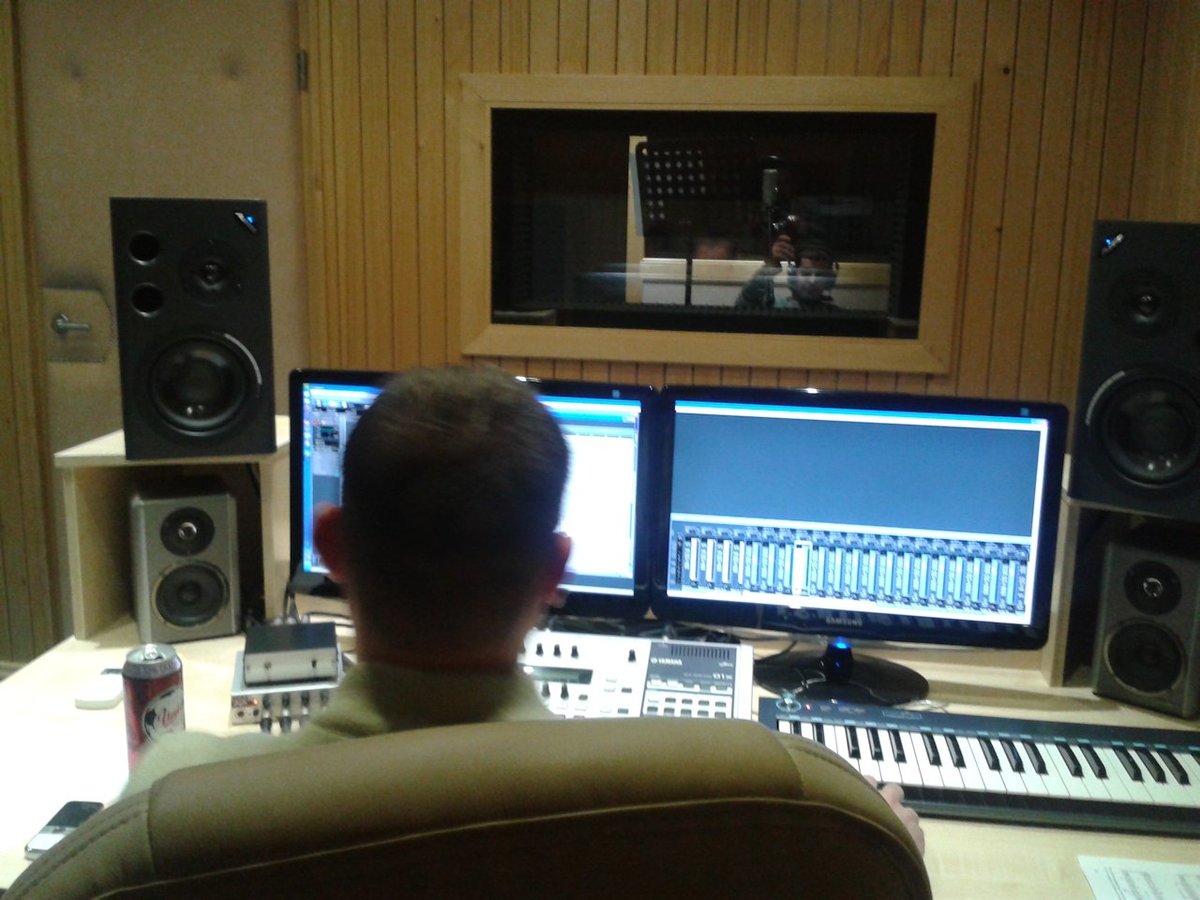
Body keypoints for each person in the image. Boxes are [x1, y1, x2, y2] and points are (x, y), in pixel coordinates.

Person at [119, 365, 924, 855]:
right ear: (555, 572)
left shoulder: (171, 800)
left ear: (331, 546)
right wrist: (890, 849)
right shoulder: (680, 825)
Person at [736, 228, 839, 311]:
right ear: (793, 273)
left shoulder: (837, 316)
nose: (812, 281)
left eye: (820, 275)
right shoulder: (775, 310)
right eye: (806, 274)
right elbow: (743, 309)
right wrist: (771, 266)